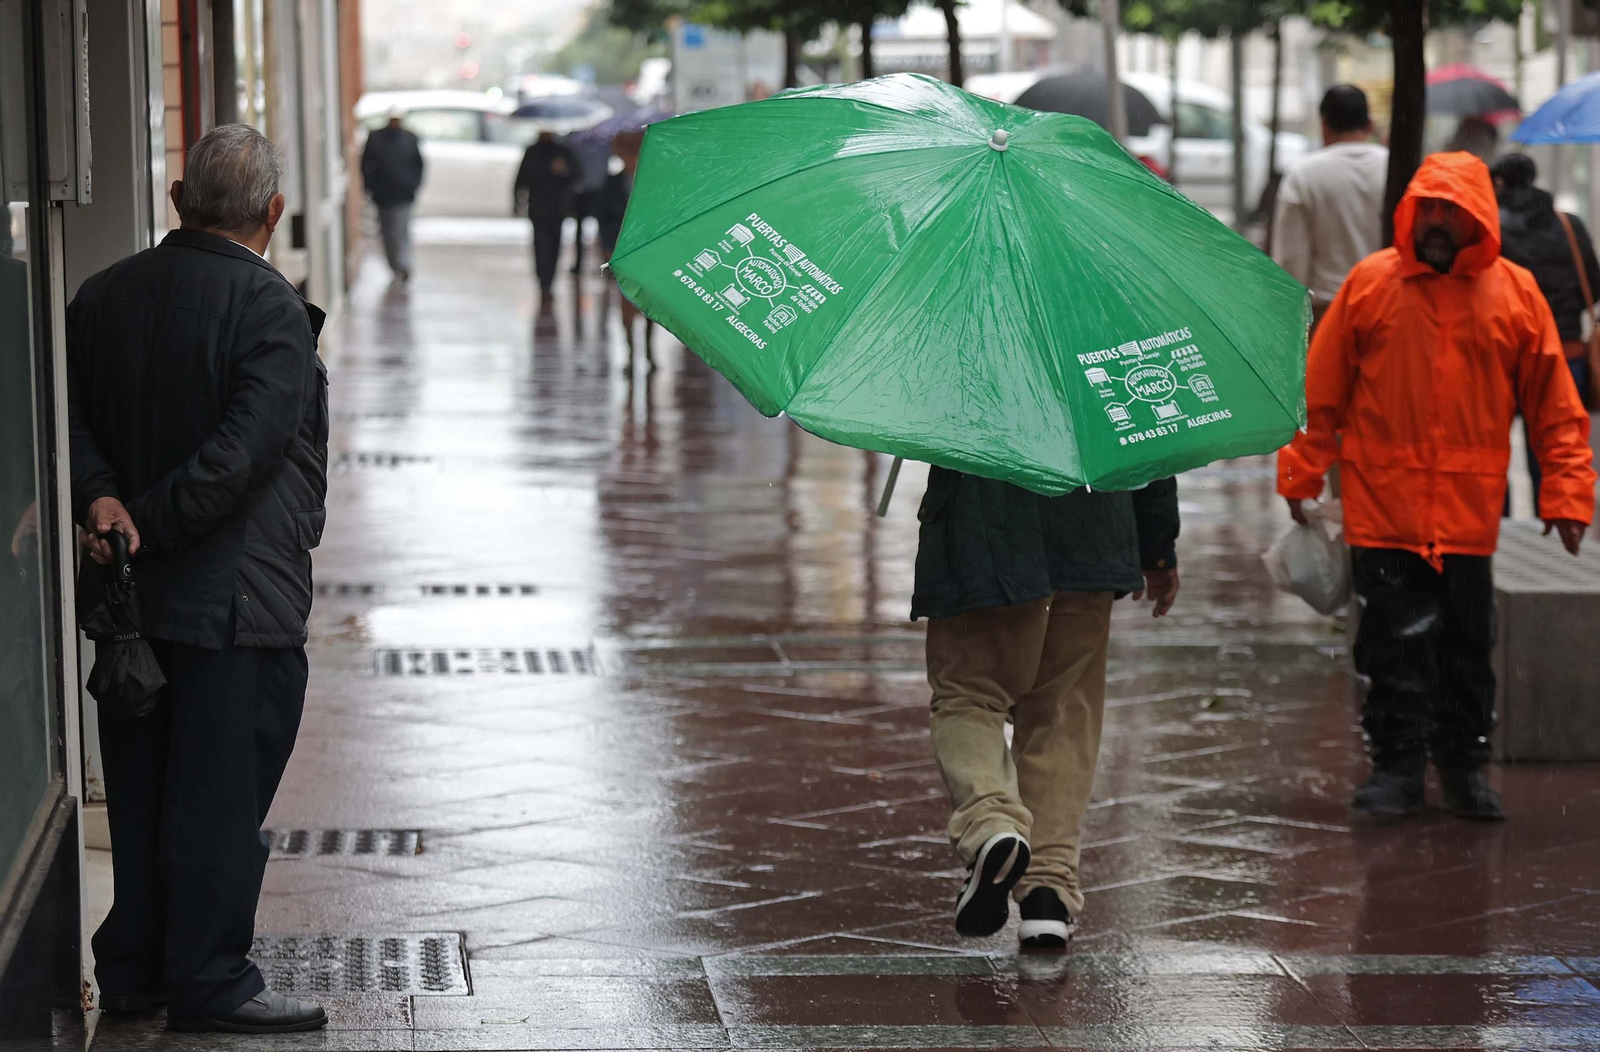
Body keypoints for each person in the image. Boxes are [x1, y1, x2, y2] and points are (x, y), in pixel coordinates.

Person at [67, 124, 330, 1033]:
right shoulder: (271, 311)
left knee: (138, 788)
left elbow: (67, 423)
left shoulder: (99, 297)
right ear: (274, 211)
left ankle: (136, 967)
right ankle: (211, 978)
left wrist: (105, 505)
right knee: (218, 798)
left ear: (178, 204)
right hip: (236, 601)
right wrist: (149, 521)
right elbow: (243, 454)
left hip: (130, 601)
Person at [1278, 152, 1595, 822]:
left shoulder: (1515, 294)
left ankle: (1463, 764)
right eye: (1429, 209)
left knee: (1465, 647)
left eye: (1452, 210)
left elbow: (1554, 407)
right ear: (1409, 212)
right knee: (1391, 647)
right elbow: (1322, 392)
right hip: (1384, 511)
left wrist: (1567, 490)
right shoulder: (1372, 285)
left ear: (1480, 215)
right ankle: (1396, 766)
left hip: (1468, 516)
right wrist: (1300, 471)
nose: (1438, 222)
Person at [915, 471, 1180, 947]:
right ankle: (1048, 893)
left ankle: (991, 825)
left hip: (985, 529)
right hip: (1094, 524)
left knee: (969, 694)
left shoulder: (974, 387)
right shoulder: (1096, 388)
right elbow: (1141, 432)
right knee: (1062, 710)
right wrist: (1157, 545)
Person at [1492, 153, 1600, 516]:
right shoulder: (1569, 225)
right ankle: (1555, 524)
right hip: (1565, 356)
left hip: (1503, 360)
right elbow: (1594, 286)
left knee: (1490, 451)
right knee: (1555, 453)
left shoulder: (1490, 228)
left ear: (1500, 183)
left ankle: (1498, 523)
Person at [1271, 85, 1389, 324]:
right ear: (1369, 124)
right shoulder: (1394, 168)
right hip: (1388, 308)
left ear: (1324, 125)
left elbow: (1291, 261)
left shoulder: (1304, 175)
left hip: (1330, 315)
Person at [598, 130, 652, 372]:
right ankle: (632, 354)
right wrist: (609, 250)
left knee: (650, 306)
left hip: (649, 252)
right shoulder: (611, 183)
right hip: (622, 254)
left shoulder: (652, 181)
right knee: (626, 305)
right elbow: (605, 220)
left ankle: (648, 351)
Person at [360, 109, 424, 283]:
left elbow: (419, 165)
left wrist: (413, 186)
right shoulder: (376, 138)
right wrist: (371, 187)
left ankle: (402, 265)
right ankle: (395, 265)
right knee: (388, 232)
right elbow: (366, 165)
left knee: (401, 230)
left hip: (403, 194)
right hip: (383, 195)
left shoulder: (409, 138)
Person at [514, 129, 579, 297]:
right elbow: (521, 178)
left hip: (558, 207)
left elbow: (576, 174)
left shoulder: (562, 152)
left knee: (554, 243)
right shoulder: (532, 151)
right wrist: (517, 201)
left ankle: (549, 277)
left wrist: (563, 171)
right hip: (538, 206)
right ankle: (543, 277)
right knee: (540, 242)